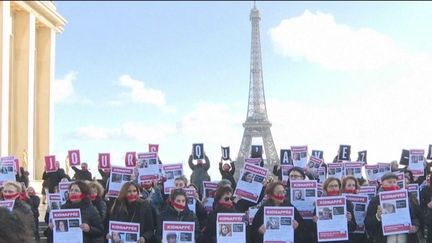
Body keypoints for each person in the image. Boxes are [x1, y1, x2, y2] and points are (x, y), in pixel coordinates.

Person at [365, 172, 421, 243]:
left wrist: (415, 226)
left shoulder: (407, 197)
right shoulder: (375, 200)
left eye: (394, 182)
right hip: (384, 238)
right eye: (389, 182)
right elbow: (368, 223)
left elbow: (416, 216)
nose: (392, 184)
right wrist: (377, 217)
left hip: (405, 236)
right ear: (382, 184)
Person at [312, 177, 357, 243]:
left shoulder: (346, 203)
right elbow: (313, 230)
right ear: (326, 189)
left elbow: (353, 227)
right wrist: (315, 222)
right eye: (330, 186)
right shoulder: (319, 204)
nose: (334, 189)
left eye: (336, 186)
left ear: (339, 188)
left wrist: (349, 221)